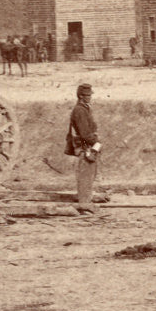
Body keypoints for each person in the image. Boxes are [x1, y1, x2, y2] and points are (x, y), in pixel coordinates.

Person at [64, 83, 101, 213]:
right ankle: (84, 205)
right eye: (87, 95)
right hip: (85, 146)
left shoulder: (84, 108)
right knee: (85, 175)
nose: (90, 97)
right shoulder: (79, 110)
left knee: (89, 174)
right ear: (81, 96)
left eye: (90, 95)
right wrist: (96, 141)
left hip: (88, 145)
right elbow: (84, 133)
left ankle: (85, 202)